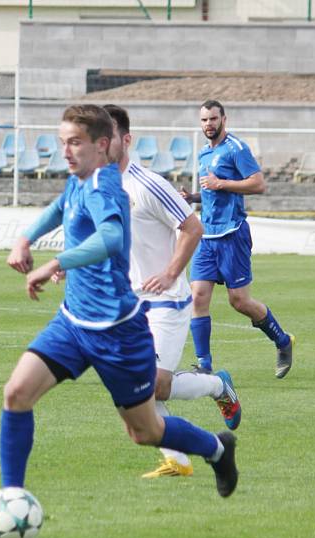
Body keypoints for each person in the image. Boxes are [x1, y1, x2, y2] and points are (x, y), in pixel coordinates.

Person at [0, 105, 238, 526]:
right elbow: (59, 206)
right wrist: (24, 237)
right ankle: (10, 496)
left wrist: (56, 263)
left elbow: (111, 238)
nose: (65, 151)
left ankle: (217, 449)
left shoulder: (108, 188)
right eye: (62, 143)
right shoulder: (80, 180)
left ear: (102, 145)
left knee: (145, 431)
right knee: (16, 393)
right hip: (74, 323)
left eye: (74, 142)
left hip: (118, 334)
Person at [104, 104, 242, 479]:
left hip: (166, 301)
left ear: (126, 140)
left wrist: (169, 272)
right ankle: (177, 461)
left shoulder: (146, 184)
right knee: (137, 389)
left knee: (156, 386)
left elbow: (192, 227)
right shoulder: (96, 187)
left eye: (108, 136)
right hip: (127, 306)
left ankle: (218, 385)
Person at [180, 100, 293, 378]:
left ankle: (282, 340)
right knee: (198, 297)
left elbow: (258, 183)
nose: (209, 124)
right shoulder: (204, 154)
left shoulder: (236, 148)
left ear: (223, 119)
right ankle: (204, 365)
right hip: (207, 234)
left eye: (213, 119)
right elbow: (211, 194)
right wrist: (192, 198)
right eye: (204, 120)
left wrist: (222, 184)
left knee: (240, 302)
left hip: (232, 234)